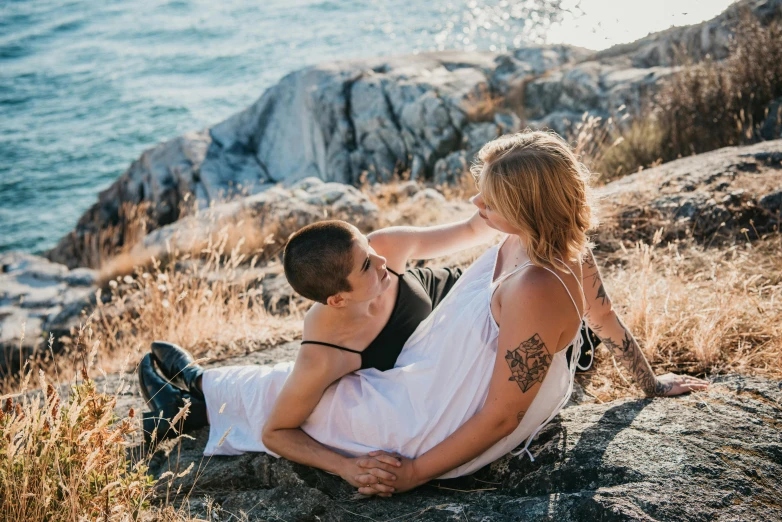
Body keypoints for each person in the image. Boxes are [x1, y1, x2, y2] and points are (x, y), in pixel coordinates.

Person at [141, 131, 708, 496]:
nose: (475, 206)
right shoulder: (561, 248)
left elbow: (499, 419)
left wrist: (413, 472)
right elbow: (606, 320)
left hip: (426, 424)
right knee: (300, 384)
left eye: (489, 200)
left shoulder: (537, 284)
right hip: (430, 384)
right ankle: (195, 389)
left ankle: (190, 398)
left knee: (294, 402)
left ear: (526, 207)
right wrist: (650, 383)